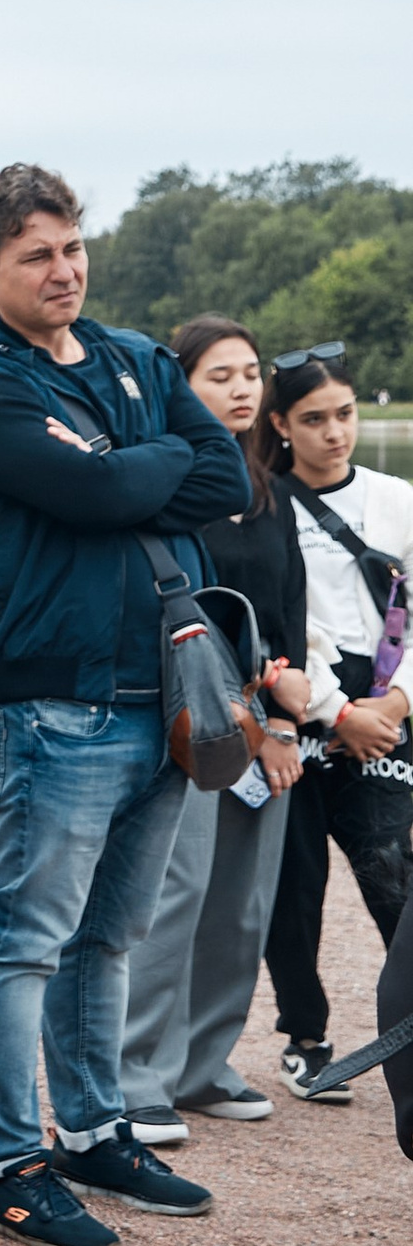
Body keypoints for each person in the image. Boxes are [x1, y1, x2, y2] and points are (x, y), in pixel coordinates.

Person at [0, 162, 249, 1246]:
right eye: (34, 256)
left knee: (108, 935)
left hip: (161, 694)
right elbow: (113, 491)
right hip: (55, 701)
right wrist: (134, 469)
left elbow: (229, 479)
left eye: (71, 248)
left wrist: (126, 466)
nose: (61, 271)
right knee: (25, 938)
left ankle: (95, 1125)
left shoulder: (132, 356)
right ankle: (5, 1160)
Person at [117, 322, 318, 1138]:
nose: (241, 391)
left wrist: (282, 718)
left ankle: (203, 1065)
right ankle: (138, 1075)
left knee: (242, 905)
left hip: (267, 719)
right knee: (179, 895)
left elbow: (289, 609)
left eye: (249, 376)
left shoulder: (266, 488)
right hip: (194, 717)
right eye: (218, 376)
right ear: (180, 386)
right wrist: (250, 717)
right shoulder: (176, 485)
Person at [261, 348, 413, 1099]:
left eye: (345, 414)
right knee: (294, 886)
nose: (334, 433)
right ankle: (305, 1035)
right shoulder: (264, 505)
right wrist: (334, 711)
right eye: (313, 419)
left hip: (387, 708)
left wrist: (395, 703)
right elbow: (279, 623)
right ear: (281, 424)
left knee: (395, 875)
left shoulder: (396, 498)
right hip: (304, 711)